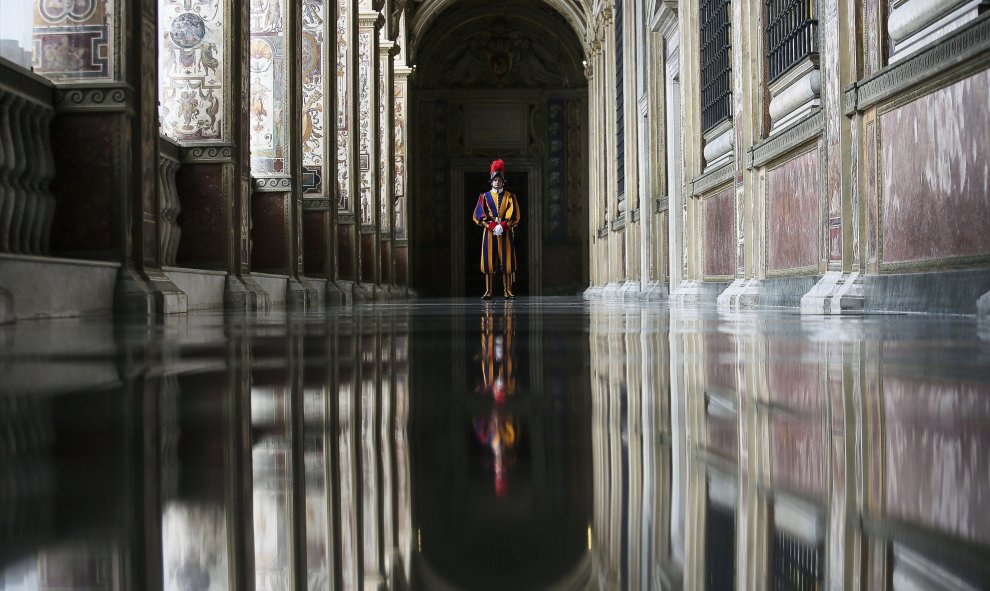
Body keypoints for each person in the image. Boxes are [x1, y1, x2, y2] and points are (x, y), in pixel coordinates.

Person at [472, 159, 521, 299]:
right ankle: (488, 291)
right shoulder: (484, 197)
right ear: (491, 181)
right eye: (495, 180)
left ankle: (508, 290)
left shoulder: (510, 197)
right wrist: (493, 226)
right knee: (488, 263)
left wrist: (503, 226)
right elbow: (479, 215)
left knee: (507, 262)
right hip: (489, 232)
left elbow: (514, 214)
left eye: (499, 180)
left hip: (505, 232)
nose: (497, 183)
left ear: (503, 182)